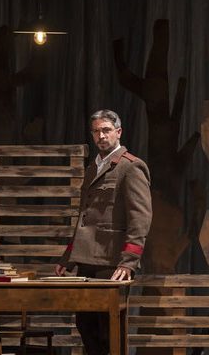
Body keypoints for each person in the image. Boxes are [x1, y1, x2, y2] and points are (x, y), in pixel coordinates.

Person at [55, 109, 152, 355]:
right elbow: (85, 217)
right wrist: (68, 258)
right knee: (86, 325)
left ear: (118, 132)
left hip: (112, 261)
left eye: (106, 130)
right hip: (86, 259)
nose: (101, 135)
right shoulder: (93, 168)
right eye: (96, 131)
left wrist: (129, 260)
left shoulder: (130, 167)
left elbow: (140, 217)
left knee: (108, 329)